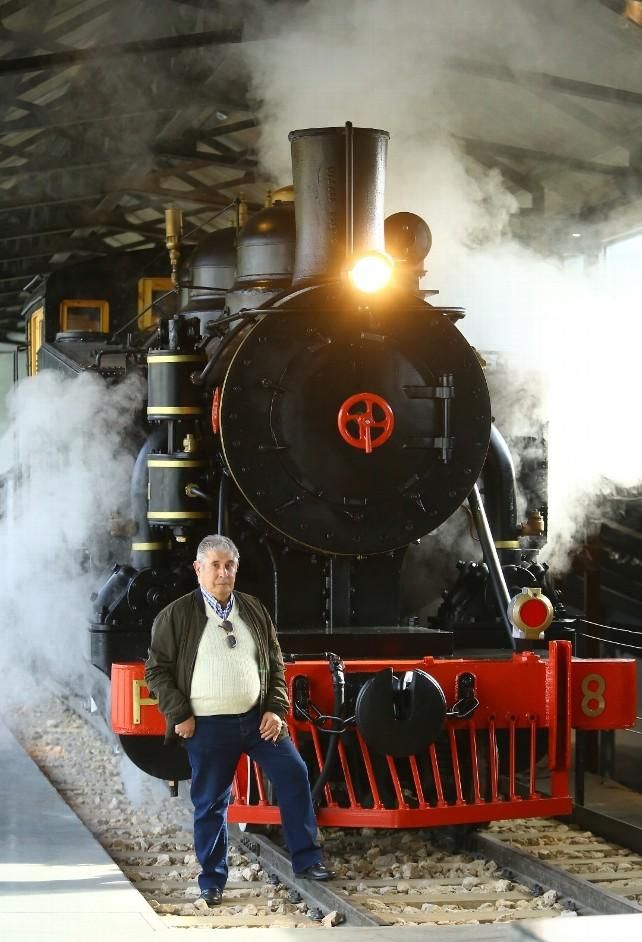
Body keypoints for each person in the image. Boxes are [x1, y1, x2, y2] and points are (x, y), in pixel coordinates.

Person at [144, 533, 334, 906]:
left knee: (294, 774)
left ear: (237, 569)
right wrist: (178, 712)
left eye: (229, 565)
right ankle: (212, 880)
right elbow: (157, 671)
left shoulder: (254, 609)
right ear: (198, 569)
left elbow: (275, 665)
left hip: (258, 721)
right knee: (211, 802)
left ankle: (307, 861)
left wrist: (275, 710)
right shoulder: (177, 615)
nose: (222, 572)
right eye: (214, 565)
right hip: (208, 725)